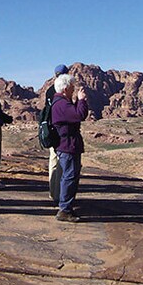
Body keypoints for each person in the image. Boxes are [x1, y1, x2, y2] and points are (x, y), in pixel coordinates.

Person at [52, 74, 89, 222]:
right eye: (72, 88)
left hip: (68, 145)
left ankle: (66, 206)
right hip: (68, 146)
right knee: (69, 177)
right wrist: (81, 101)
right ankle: (64, 210)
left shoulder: (60, 102)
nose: (73, 91)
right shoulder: (61, 104)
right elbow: (80, 115)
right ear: (66, 88)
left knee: (69, 176)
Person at [45, 64, 69, 203]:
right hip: (59, 130)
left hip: (50, 128)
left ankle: (52, 192)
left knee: (53, 161)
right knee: (61, 162)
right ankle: (59, 194)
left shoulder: (49, 90)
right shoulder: (62, 90)